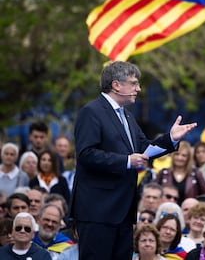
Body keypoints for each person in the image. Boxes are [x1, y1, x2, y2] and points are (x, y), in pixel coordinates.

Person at [72, 61, 196, 260]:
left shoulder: (127, 116)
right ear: (116, 85)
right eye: (134, 83)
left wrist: (171, 138)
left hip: (123, 212)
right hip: (97, 212)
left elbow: (143, 148)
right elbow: (86, 154)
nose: (138, 89)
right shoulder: (91, 112)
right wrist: (126, 161)